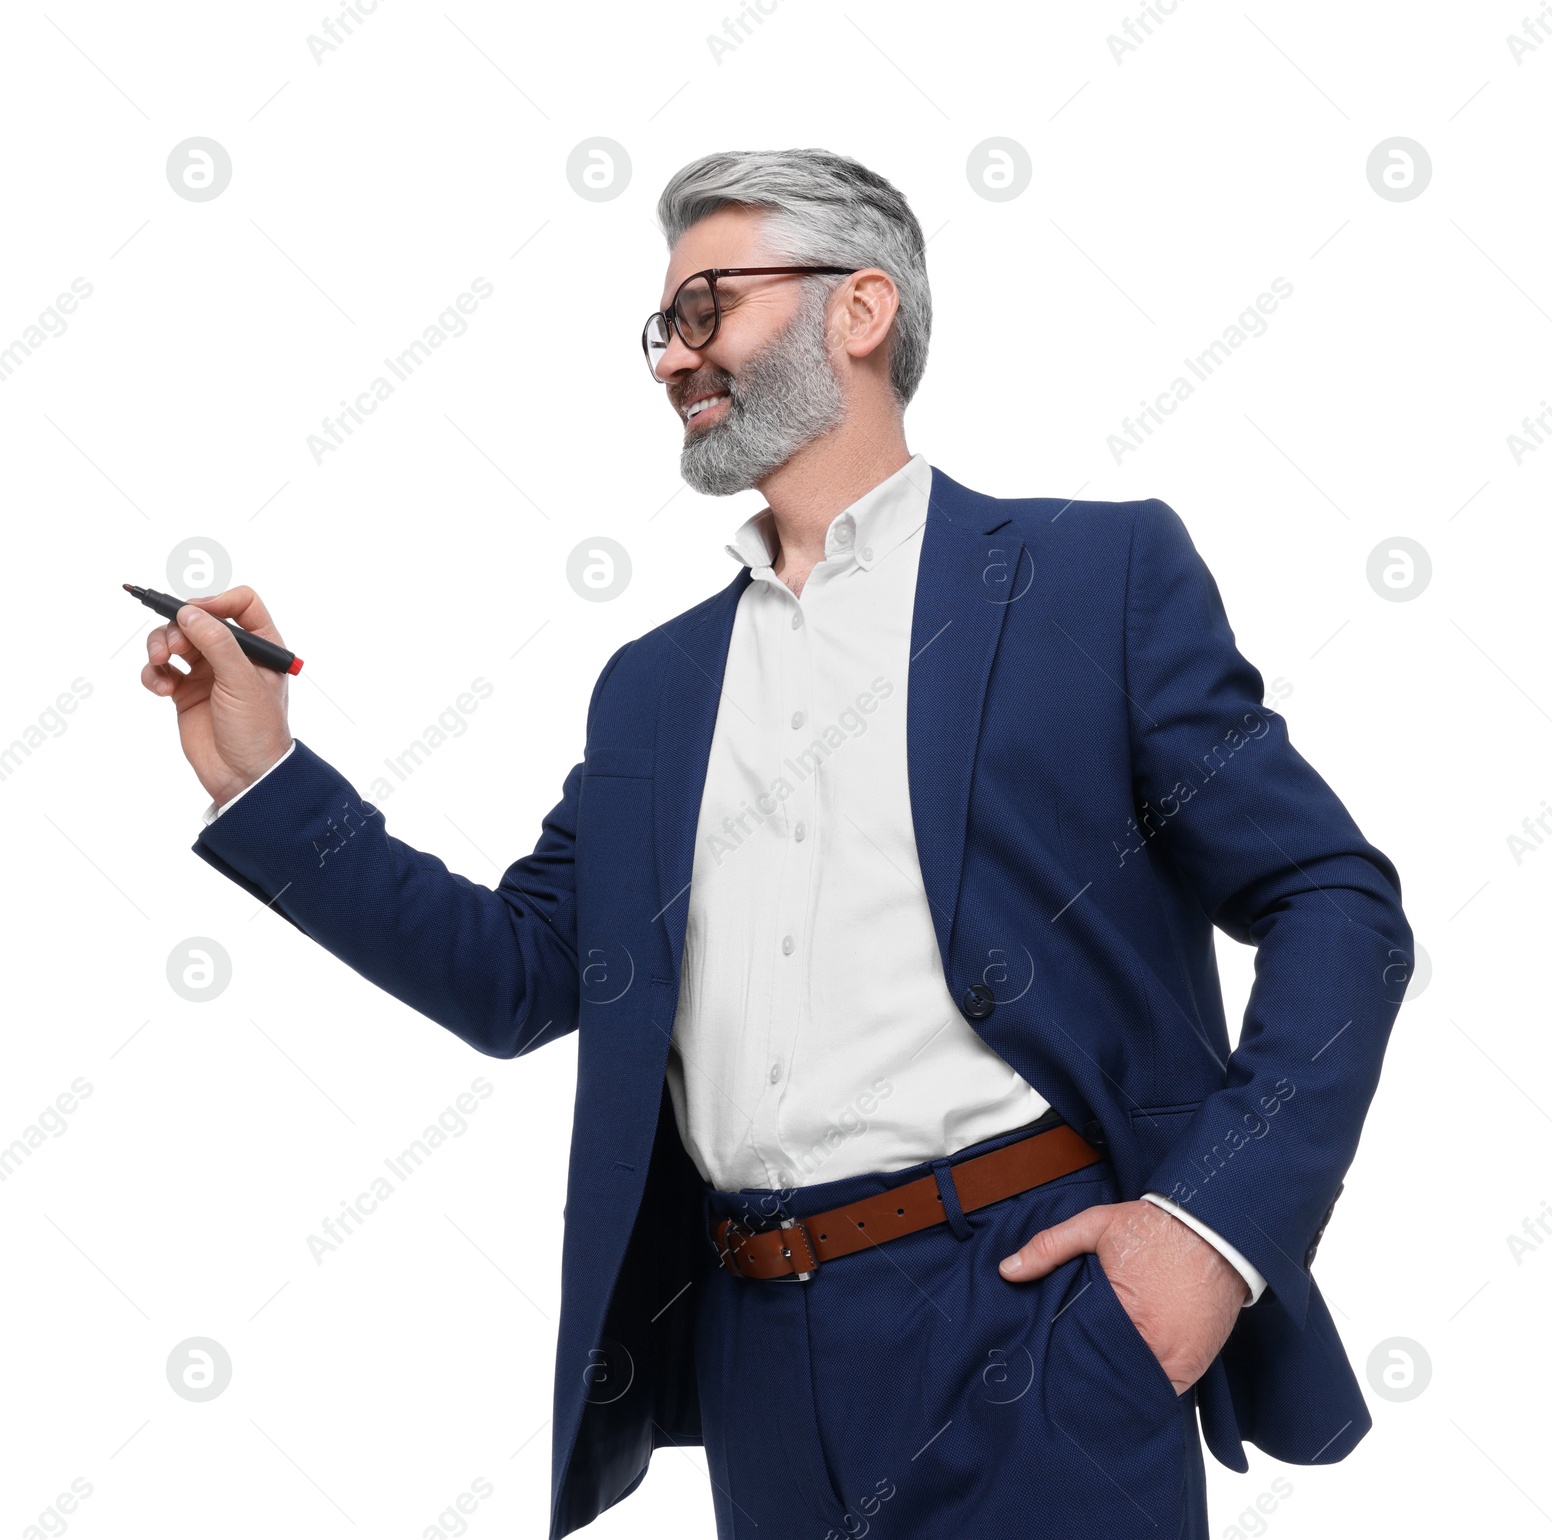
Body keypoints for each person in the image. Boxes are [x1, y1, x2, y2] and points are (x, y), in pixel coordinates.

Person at [142, 149, 1413, 1539]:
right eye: (663, 328)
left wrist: (1210, 1234)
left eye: (708, 309)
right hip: (759, 1350)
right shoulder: (657, 684)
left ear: (858, 310)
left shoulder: (1093, 579)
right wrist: (261, 775)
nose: (673, 358)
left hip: (1041, 1316)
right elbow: (521, 975)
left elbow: (1329, 896)